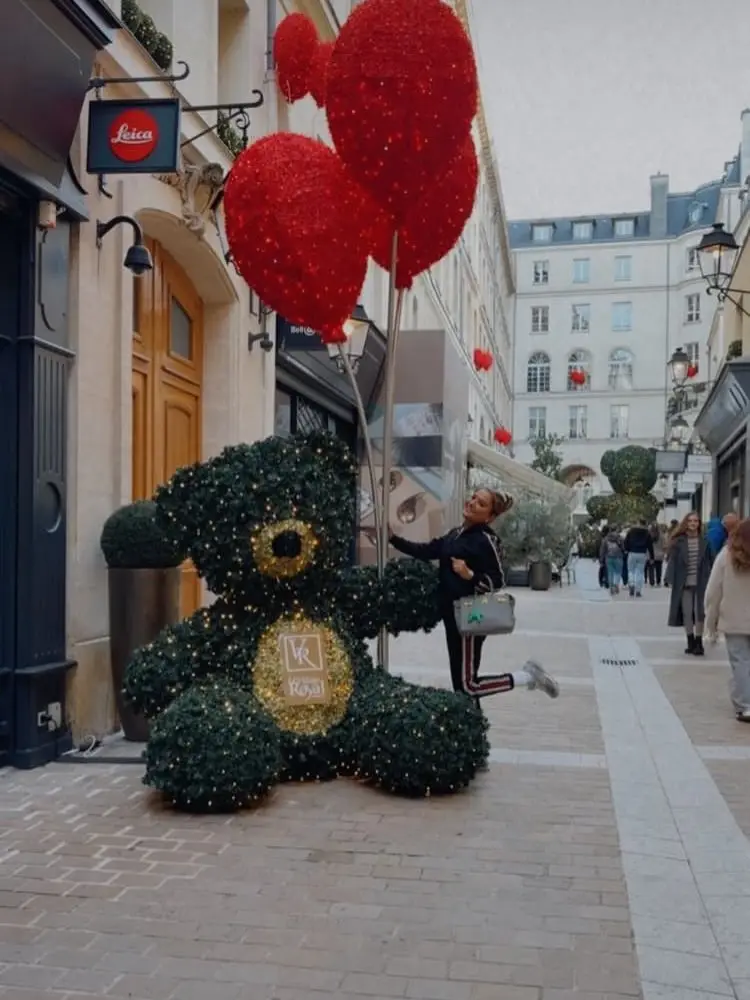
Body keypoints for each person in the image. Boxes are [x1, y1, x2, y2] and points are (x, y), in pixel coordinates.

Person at [389, 488, 559, 702]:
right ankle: (471, 731)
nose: (471, 503)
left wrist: (469, 575)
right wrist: (393, 539)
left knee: (469, 686)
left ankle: (527, 676)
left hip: (470, 616)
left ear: (489, 516)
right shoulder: (455, 534)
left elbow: (497, 580)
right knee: (461, 688)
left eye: (480, 503)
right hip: (452, 617)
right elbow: (427, 550)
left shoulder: (485, 540)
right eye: (473, 498)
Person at [705, 518, 750, 722]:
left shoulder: (727, 555)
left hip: (735, 619)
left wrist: (710, 623)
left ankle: (745, 705)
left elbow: (713, 591)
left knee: (740, 662)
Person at [665, 511, 712, 656]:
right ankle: (690, 641)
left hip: (701, 582)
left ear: (699, 524)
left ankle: (699, 643)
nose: (693, 523)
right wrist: (669, 579)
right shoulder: (679, 542)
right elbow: (672, 562)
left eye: (696, 521)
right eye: (690, 521)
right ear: (686, 523)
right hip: (684, 583)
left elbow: (712, 561)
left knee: (700, 613)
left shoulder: (705, 541)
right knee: (687, 613)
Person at [624, 518, 654, 597]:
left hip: (632, 552)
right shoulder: (647, 532)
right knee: (640, 572)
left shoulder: (631, 531)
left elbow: (626, 541)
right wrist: (652, 557)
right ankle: (638, 590)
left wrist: (626, 549)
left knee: (631, 571)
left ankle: (631, 584)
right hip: (642, 553)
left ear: (638, 523)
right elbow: (650, 545)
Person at [600, 527, 624, 596]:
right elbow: (623, 548)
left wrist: (601, 560)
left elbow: (602, 550)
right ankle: (616, 584)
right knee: (618, 572)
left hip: (609, 557)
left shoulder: (606, 539)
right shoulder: (620, 538)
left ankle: (611, 586)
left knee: (610, 573)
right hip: (619, 557)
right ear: (617, 530)